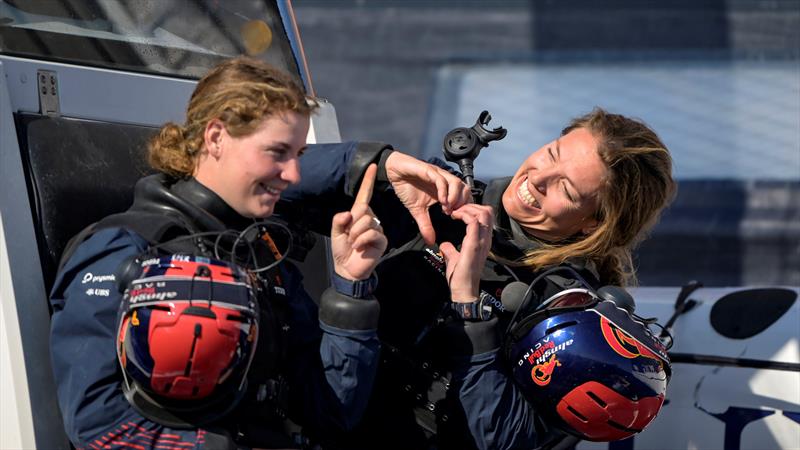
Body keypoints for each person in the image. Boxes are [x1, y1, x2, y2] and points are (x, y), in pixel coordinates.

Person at [276, 107, 676, 449]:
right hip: (305, 419)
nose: (539, 178)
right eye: (551, 154)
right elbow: (266, 177)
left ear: (593, 225)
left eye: (565, 188)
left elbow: (509, 441)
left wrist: (470, 310)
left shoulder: (571, 316)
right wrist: (376, 164)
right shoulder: (440, 199)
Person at [49, 57, 390, 449]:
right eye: (278, 152)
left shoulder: (265, 260)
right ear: (215, 138)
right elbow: (100, 425)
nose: (294, 175)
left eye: (297, 155)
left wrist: (350, 287)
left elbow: (332, 412)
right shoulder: (125, 248)